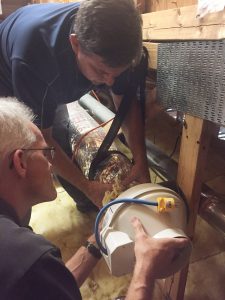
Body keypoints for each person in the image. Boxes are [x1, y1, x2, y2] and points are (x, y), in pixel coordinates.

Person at [0, 98, 189, 300]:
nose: (51, 163)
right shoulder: (28, 260)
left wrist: (101, 234)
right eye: (46, 152)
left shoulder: (20, 252)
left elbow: (53, 286)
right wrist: (145, 270)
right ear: (20, 162)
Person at [0, 0, 150, 212]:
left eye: (116, 73)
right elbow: (43, 138)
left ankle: (86, 199)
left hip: (44, 60)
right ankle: (19, 229)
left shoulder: (116, 34)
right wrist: (87, 187)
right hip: (6, 75)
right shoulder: (34, 61)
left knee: (61, 132)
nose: (109, 82)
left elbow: (126, 103)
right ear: (76, 44)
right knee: (23, 161)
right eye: (101, 71)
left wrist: (141, 161)